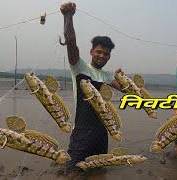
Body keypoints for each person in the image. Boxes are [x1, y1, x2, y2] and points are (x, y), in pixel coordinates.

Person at [60, 2, 121, 173]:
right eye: (99, 52)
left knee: (98, 171)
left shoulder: (108, 76)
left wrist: (123, 79)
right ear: (91, 52)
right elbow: (71, 42)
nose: (102, 56)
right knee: (72, 172)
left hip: (102, 132)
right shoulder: (79, 68)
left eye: (106, 53)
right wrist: (68, 17)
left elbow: (126, 89)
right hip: (82, 131)